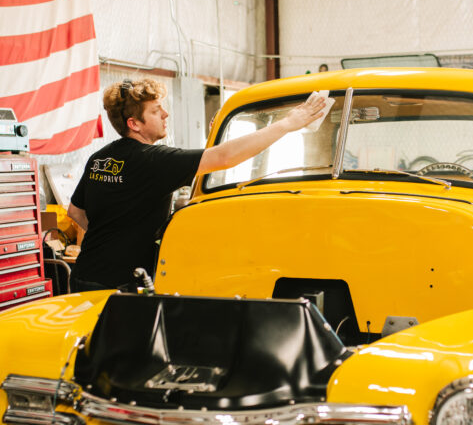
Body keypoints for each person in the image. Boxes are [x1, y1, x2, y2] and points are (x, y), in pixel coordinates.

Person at [67, 77, 325, 292]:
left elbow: (75, 212)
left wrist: (115, 237)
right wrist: (289, 123)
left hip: (83, 276)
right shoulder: (153, 160)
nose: (165, 114)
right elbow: (224, 158)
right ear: (134, 124)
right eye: (156, 111)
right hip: (120, 285)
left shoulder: (99, 158)